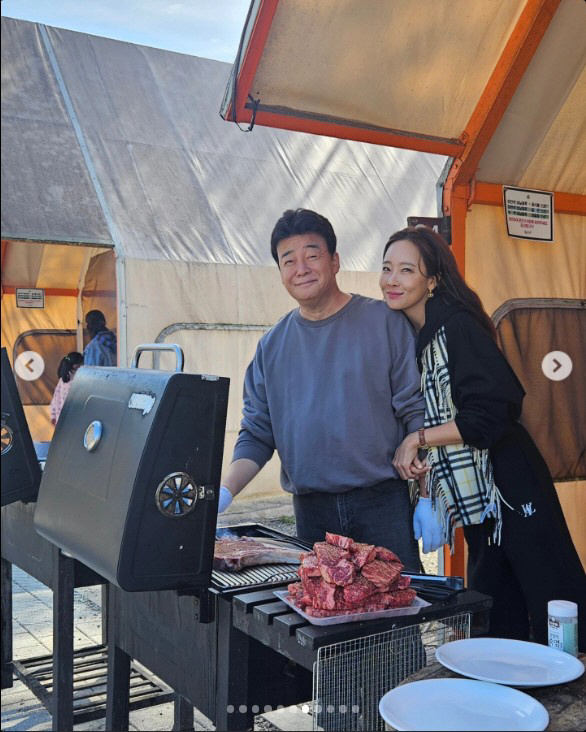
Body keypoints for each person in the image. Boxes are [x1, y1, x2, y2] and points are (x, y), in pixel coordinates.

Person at [380, 225, 586, 649]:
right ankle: (510, 689)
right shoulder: (418, 335)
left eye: (406, 270)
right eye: (386, 268)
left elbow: (494, 413)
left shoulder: (456, 326)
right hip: (479, 493)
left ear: (432, 279)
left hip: (509, 480)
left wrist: (418, 438)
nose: (392, 280)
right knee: (495, 597)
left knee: (551, 592)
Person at [217, 209, 426, 570]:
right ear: (281, 273)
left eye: (312, 255)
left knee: (397, 619)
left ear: (334, 261)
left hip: (383, 504)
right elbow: (257, 432)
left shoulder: (386, 322)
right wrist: (224, 492)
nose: (302, 268)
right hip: (311, 512)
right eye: (289, 260)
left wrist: (426, 498)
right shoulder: (271, 346)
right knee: (325, 618)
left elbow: (417, 415)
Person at [50, 351, 83, 425]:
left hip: (62, 419)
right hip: (71, 419)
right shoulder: (77, 379)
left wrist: (53, 415)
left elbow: (55, 399)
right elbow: (56, 398)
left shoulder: (63, 379)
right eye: (80, 364)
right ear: (75, 365)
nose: (81, 366)